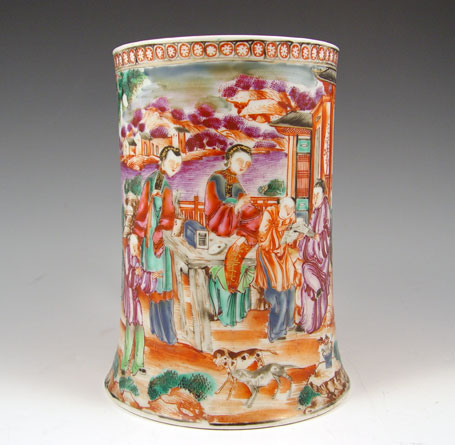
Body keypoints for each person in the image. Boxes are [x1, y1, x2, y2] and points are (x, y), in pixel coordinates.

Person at [130, 146, 182, 344]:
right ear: (162, 161)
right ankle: (165, 334)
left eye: (178, 164)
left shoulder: (162, 183)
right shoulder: (154, 183)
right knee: (159, 284)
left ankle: (161, 331)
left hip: (159, 241)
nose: (175, 167)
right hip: (154, 242)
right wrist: (136, 235)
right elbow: (143, 211)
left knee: (161, 285)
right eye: (172, 162)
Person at [204, 144, 262, 293]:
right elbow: (220, 202)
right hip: (219, 219)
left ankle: (251, 233)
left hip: (233, 218)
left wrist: (244, 204)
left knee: (255, 213)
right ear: (230, 159)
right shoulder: (217, 177)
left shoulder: (235, 180)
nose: (243, 166)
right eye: (240, 161)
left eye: (247, 164)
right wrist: (238, 205)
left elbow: (240, 200)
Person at [255, 197, 300, 342]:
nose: (290, 212)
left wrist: (295, 235)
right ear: (281, 206)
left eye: (292, 209)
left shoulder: (291, 217)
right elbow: (262, 238)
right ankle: (276, 332)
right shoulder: (270, 213)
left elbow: (291, 240)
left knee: (291, 287)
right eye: (288, 208)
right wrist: (279, 234)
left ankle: (289, 323)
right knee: (279, 292)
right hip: (269, 255)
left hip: (282, 254)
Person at [120, 235, 161, 375]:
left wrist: (151, 276)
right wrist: (134, 273)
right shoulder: (128, 254)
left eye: (136, 245)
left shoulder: (136, 258)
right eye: (135, 245)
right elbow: (129, 276)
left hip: (135, 298)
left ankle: (138, 363)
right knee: (130, 328)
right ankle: (124, 364)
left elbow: (141, 274)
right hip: (129, 297)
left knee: (140, 327)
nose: (136, 248)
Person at [297, 179, 331, 334]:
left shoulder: (325, 210)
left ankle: (318, 288)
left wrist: (318, 237)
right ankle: (306, 323)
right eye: (314, 195)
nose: (315, 198)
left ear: (323, 195)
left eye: (318, 194)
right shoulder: (315, 212)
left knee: (307, 270)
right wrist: (303, 237)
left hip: (318, 259)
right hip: (311, 256)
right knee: (306, 290)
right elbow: (310, 232)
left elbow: (326, 234)